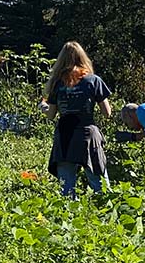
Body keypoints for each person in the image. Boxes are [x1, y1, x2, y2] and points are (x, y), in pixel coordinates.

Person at [41, 42, 112, 198]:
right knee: (99, 181)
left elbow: (51, 115)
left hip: (65, 134)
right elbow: (107, 112)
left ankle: (69, 216)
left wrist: (43, 107)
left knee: (66, 187)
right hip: (88, 133)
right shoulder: (94, 80)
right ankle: (106, 213)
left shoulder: (57, 83)